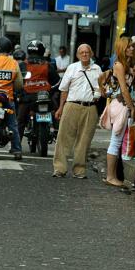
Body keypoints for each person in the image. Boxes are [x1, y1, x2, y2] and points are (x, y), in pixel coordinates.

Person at [52, 44, 103, 178]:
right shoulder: (72, 68)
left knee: (84, 140)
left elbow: (102, 88)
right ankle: (59, 168)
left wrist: (99, 93)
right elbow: (64, 89)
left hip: (90, 107)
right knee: (63, 137)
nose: (85, 54)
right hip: (71, 105)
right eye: (82, 52)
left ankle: (79, 170)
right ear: (77, 55)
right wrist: (61, 108)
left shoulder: (97, 69)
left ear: (91, 54)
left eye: (87, 52)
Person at [103, 37, 135, 187]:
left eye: (132, 47)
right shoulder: (119, 65)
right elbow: (124, 89)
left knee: (117, 141)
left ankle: (112, 175)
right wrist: (132, 107)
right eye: (128, 47)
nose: (131, 49)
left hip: (122, 104)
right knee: (116, 141)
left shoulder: (124, 65)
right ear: (122, 48)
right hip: (120, 105)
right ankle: (110, 176)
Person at [17, 40, 59, 139]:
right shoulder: (48, 65)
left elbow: (17, 81)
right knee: (56, 112)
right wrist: (51, 91)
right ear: (42, 51)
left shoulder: (22, 65)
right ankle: (56, 131)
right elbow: (57, 82)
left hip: (27, 98)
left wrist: (19, 91)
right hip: (45, 96)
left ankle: (16, 146)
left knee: (21, 121)